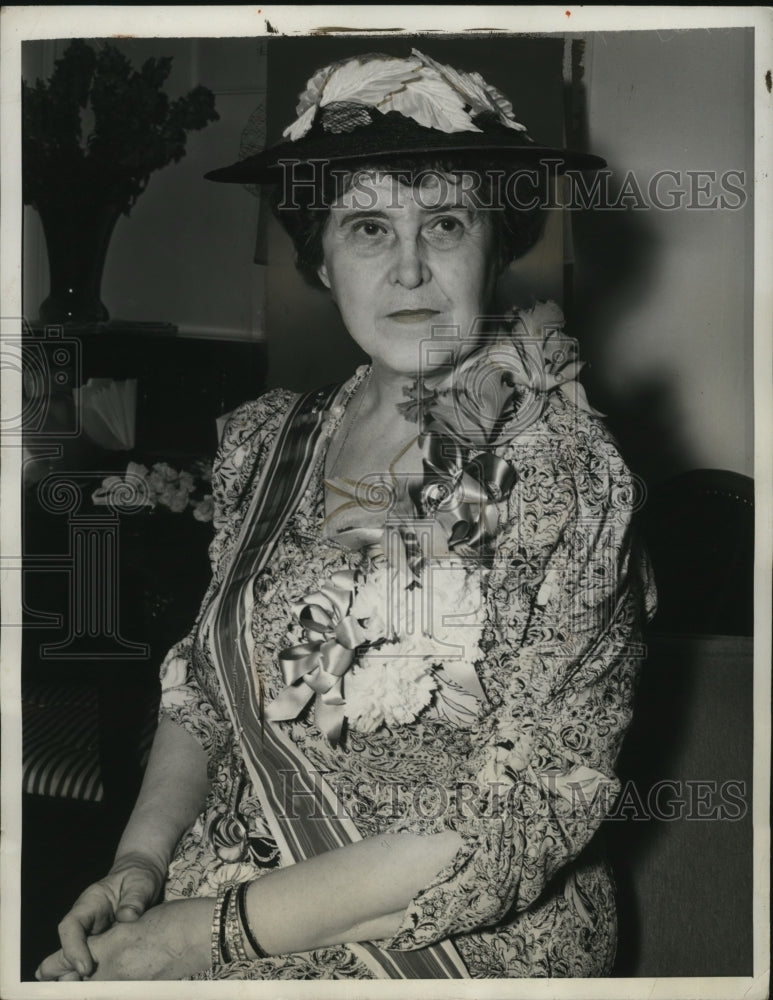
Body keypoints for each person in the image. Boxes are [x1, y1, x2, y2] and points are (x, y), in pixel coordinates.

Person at [37, 48, 655, 982]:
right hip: (220, 885)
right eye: (366, 227)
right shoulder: (265, 442)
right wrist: (139, 866)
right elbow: (205, 695)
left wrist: (201, 936)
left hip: (459, 939)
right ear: (320, 260)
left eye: (444, 223)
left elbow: (521, 818)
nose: (408, 270)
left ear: (499, 244)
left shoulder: (566, 475)